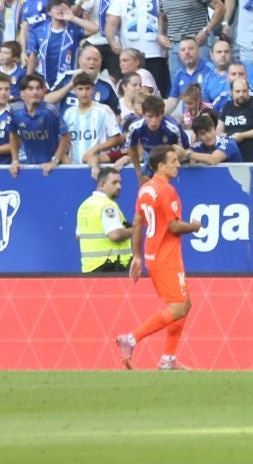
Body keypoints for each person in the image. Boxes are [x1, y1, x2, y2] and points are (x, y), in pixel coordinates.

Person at [116, 144, 202, 370]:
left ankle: (168, 359)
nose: (178, 164)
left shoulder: (145, 189)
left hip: (154, 254)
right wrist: (194, 227)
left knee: (185, 304)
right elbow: (173, 226)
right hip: (167, 256)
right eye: (173, 161)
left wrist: (137, 256)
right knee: (178, 307)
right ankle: (131, 338)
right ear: (161, 166)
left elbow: (137, 222)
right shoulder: (166, 190)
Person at [74, 164, 133, 273]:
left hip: (89, 268)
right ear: (101, 185)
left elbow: (78, 235)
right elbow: (115, 235)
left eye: (120, 182)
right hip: (110, 268)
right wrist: (134, 230)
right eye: (114, 183)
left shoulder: (84, 205)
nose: (119, 186)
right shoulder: (107, 206)